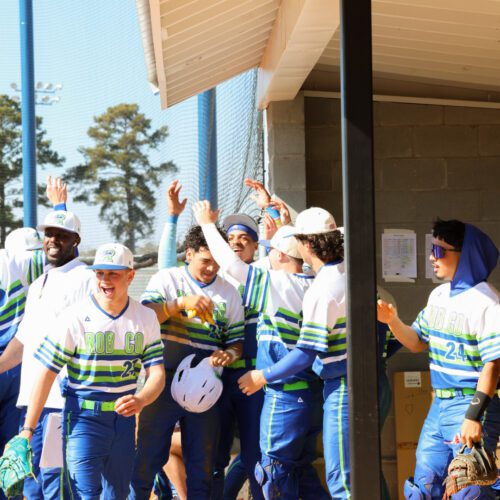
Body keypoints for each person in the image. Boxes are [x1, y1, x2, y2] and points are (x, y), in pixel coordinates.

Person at [193, 200, 329, 500]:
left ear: (278, 255)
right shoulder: (319, 283)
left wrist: (205, 224)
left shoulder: (278, 283)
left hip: (284, 394)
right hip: (312, 393)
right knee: (301, 472)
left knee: (274, 474)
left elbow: (231, 266)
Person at [18, 243, 165, 499]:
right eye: (100, 273)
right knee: (85, 494)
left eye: (113, 273)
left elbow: (158, 374)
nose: (105, 280)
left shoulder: (145, 317)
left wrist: (142, 399)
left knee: (117, 495)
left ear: (130, 275)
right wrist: (27, 431)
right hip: (82, 419)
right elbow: (46, 373)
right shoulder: (73, 317)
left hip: (124, 421)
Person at [377, 219, 500, 499]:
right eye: (432, 249)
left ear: (465, 254)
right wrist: (392, 320)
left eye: (440, 251)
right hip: (439, 405)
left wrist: (474, 416)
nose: (432, 257)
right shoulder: (438, 296)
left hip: (468, 403)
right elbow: (417, 342)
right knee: (425, 485)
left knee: (467, 489)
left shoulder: (488, 302)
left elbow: (493, 364)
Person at [237, 207, 350, 498]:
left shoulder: (290, 284)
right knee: (302, 470)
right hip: (319, 391)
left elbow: (306, 352)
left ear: (306, 245)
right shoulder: (338, 273)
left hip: (293, 391)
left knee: (279, 471)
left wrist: (206, 225)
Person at [130, 224, 245, 500]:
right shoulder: (166, 279)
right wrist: (179, 303)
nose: (212, 268)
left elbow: (237, 342)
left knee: (201, 468)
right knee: (146, 462)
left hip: (205, 388)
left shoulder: (229, 292)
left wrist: (229, 355)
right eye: (206, 260)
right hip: (162, 381)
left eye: (217, 261)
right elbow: (146, 317)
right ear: (188, 254)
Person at [0, 209, 94, 499]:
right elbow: (23, 340)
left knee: (57, 485)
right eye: (49, 234)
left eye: (62, 235)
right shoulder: (40, 283)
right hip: (32, 403)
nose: (53, 240)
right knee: (32, 483)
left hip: (61, 402)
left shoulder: (86, 278)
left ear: (75, 240)